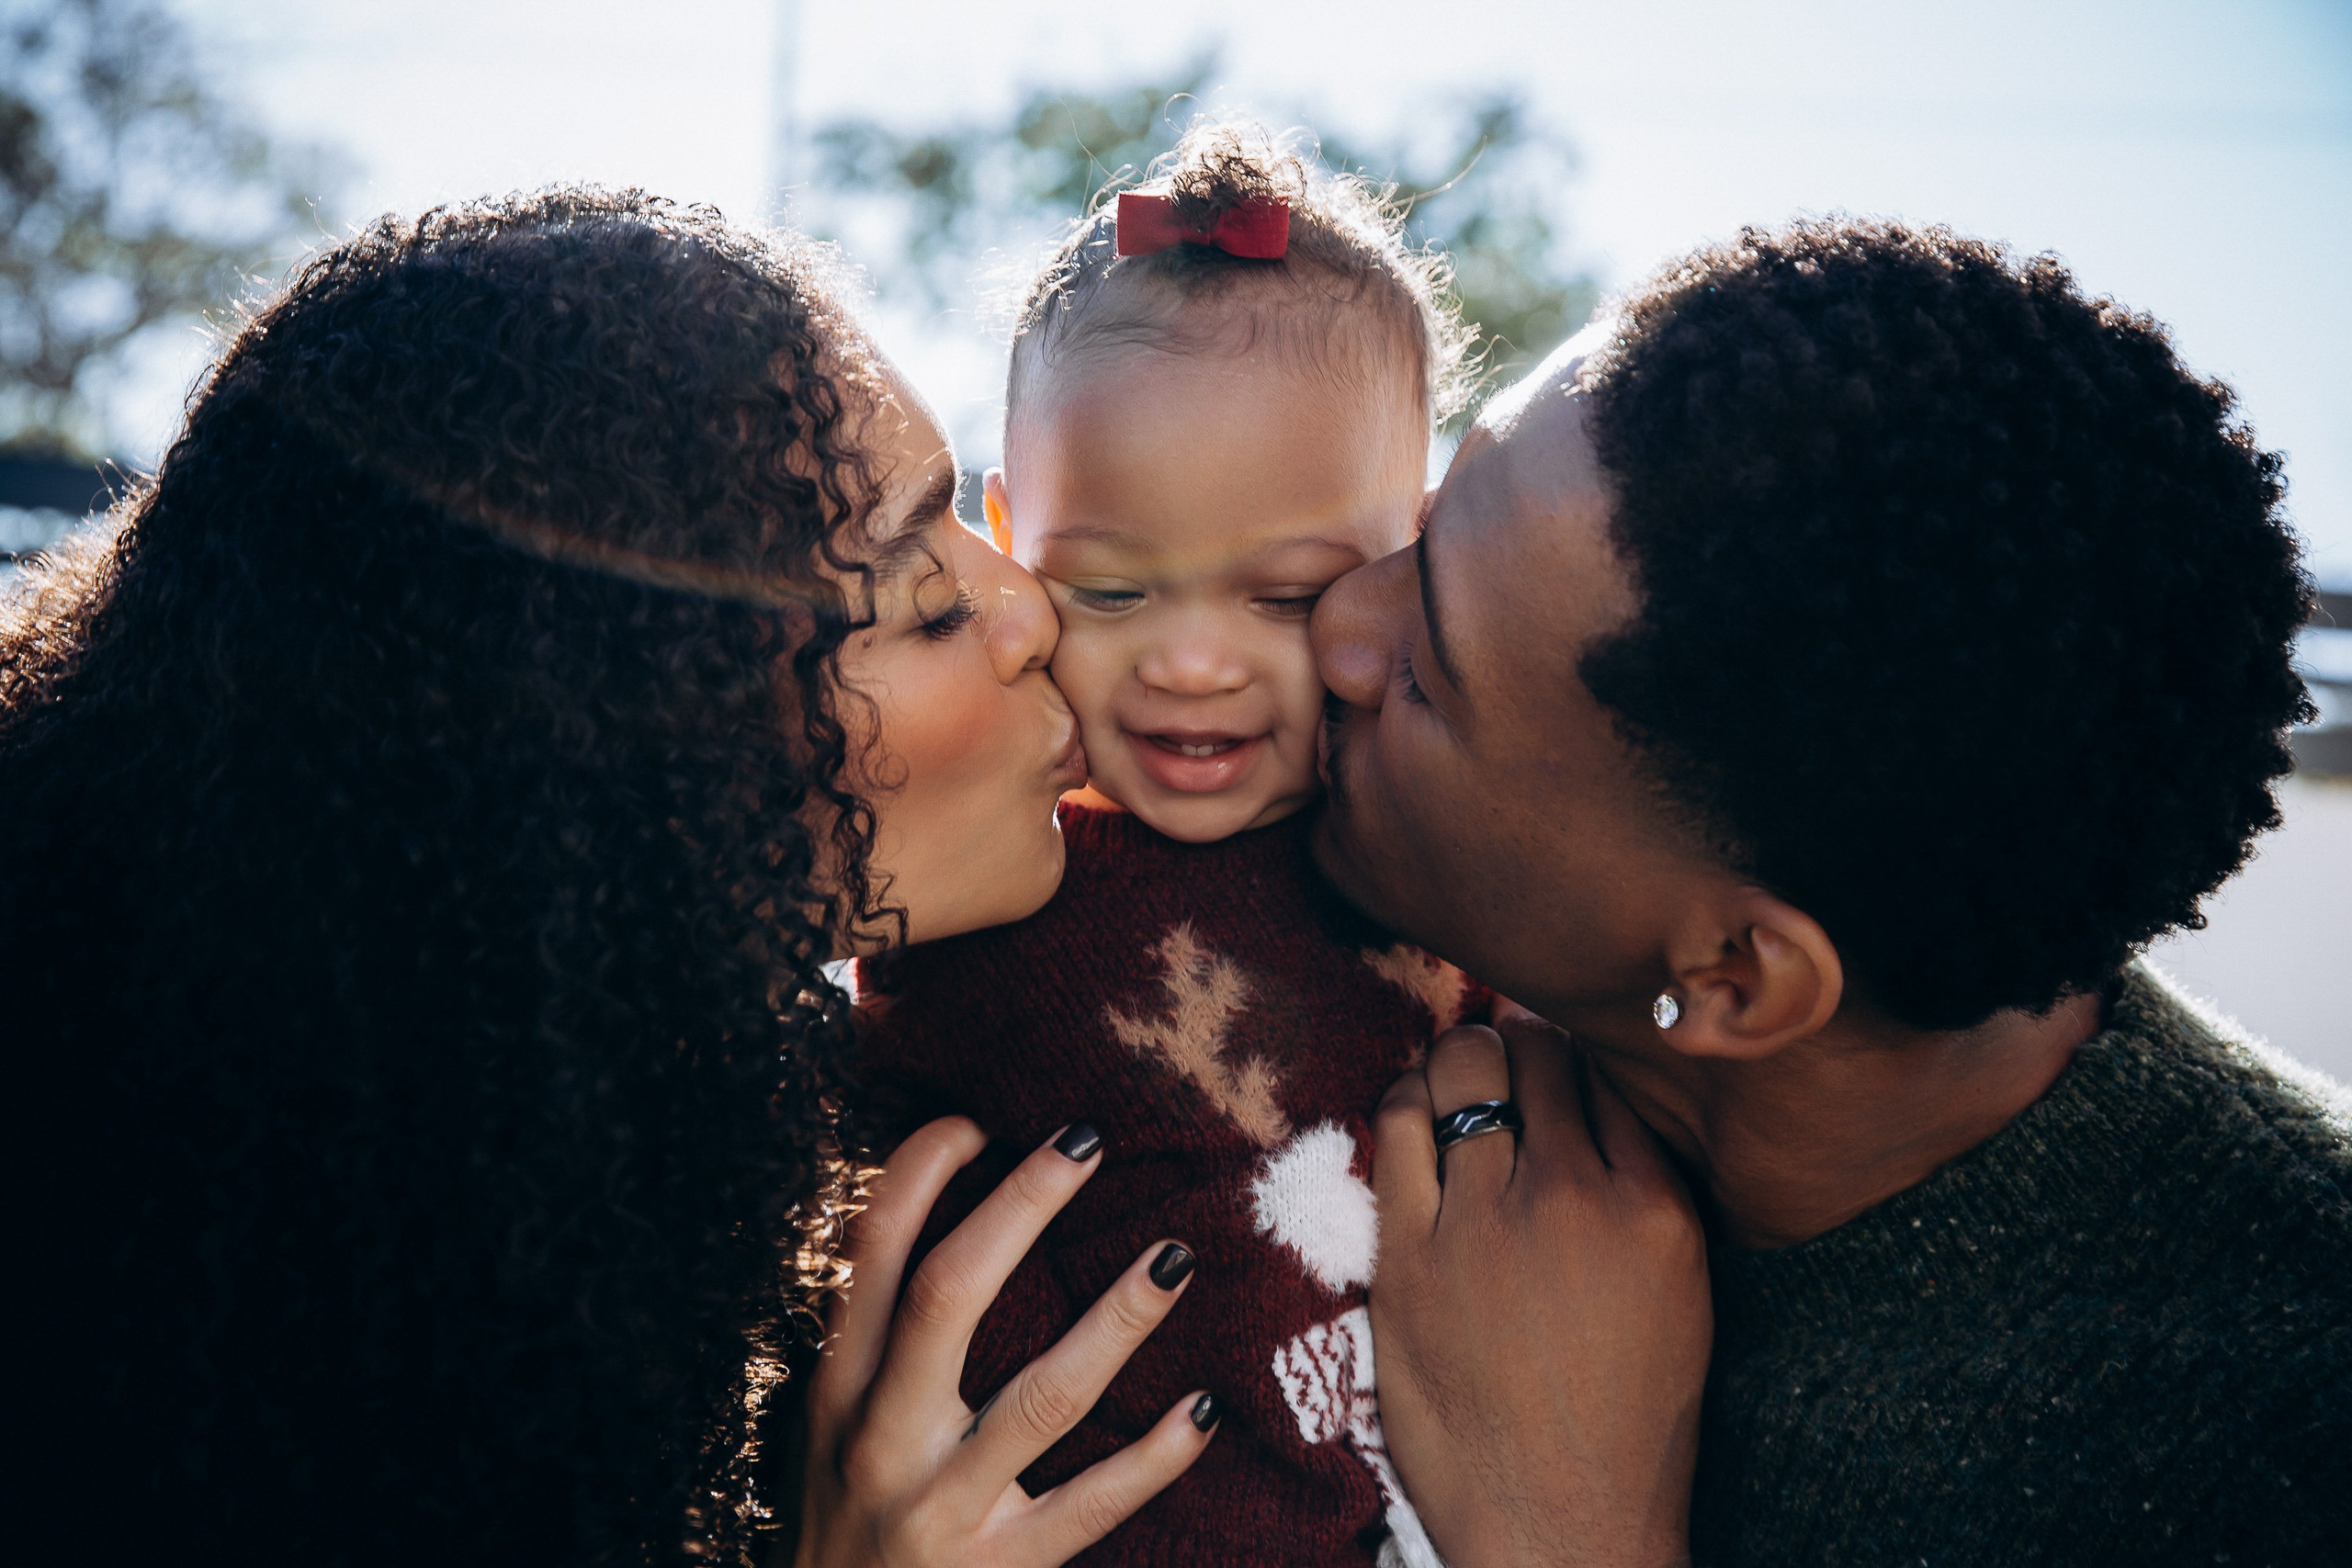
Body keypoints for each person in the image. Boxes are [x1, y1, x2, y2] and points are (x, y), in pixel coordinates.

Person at [1, 188, 1224, 1565]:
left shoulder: (656, 1149)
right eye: (928, 599)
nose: (1026, 609)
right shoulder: (177, 1334)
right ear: (634, 751)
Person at [1312, 218, 2351, 1564]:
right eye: (1425, 523)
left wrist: (1565, 1538)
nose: (1335, 623)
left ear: (1738, 975)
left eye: (1425, 676)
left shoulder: (2282, 1447)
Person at [854, 123, 1485, 1568]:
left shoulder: (1434, 853)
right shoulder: (984, 859)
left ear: (1403, 559)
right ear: (1012, 552)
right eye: (1114, 589)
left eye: (1284, 598)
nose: (1193, 664)